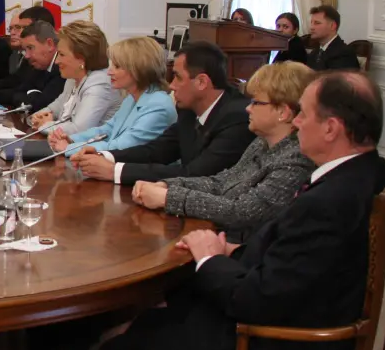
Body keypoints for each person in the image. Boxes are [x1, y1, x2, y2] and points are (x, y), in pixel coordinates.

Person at [38, 71, 385, 350]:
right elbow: (307, 267)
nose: (296, 122)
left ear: (331, 128)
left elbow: (256, 299)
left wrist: (210, 259)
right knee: (156, 321)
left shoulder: (330, 200)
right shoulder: (372, 175)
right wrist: (232, 252)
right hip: (313, 329)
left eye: (305, 114)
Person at [131, 61, 316, 241]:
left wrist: (168, 198)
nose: (248, 108)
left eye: (256, 103)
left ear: (283, 112)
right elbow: (223, 182)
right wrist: (167, 185)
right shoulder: (261, 143)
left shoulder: (296, 159)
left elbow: (242, 212)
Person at [72, 41, 254, 187]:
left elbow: (195, 174)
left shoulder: (237, 117)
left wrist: (115, 171)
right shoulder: (188, 108)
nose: (172, 85)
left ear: (201, 82)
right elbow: (157, 150)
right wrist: (105, 156)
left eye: (178, 77)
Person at [50, 36, 175, 157]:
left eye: (117, 66)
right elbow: (107, 130)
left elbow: (123, 147)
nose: (109, 72)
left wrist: (69, 148)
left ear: (138, 69)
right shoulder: (131, 99)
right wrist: (72, 139)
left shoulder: (158, 106)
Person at [28, 21, 119, 137]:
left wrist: (45, 125)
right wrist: (36, 118)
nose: (57, 61)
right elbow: (53, 109)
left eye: (62, 54)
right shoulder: (73, 79)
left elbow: (79, 130)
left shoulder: (100, 85)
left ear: (81, 58)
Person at [0, 20, 64, 112]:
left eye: (30, 48)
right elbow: (18, 90)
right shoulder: (40, 65)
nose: (26, 56)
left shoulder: (62, 68)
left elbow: (38, 104)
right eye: (25, 50)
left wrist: (29, 96)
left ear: (49, 44)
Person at [0, 5, 56, 94]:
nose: (13, 32)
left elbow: (24, 92)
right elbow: (15, 81)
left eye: (19, 27)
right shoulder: (16, 55)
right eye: (11, 28)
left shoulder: (55, 63)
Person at [306, 5, 360, 70]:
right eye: (311, 23)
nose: (311, 27)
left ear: (332, 26)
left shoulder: (344, 54)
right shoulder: (314, 53)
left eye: (317, 23)